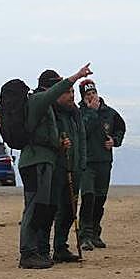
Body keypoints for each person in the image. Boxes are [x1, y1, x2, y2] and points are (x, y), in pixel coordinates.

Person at [17, 64, 93, 269]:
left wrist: (59, 144)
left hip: (45, 160)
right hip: (36, 162)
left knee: (45, 208)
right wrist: (77, 76)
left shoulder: (47, 107)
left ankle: (41, 251)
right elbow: (56, 92)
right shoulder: (39, 100)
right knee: (34, 208)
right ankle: (28, 252)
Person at [78, 79, 125, 249]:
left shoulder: (109, 113)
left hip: (104, 162)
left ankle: (96, 233)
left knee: (100, 198)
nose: (91, 97)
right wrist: (90, 112)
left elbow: (120, 127)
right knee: (88, 196)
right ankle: (85, 235)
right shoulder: (79, 113)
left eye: (93, 94)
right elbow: (83, 131)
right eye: (87, 95)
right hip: (87, 163)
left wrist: (115, 141)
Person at [51, 81, 87, 262]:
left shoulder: (75, 114)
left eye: (73, 91)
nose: (71, 95)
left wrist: (82, 163)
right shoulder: (54, 114)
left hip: (75, 168)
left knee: (69, 210)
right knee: (55, 209)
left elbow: (82, 139)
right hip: (59, 168)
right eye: (67, 92)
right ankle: (46, 247)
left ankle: (60, 246)